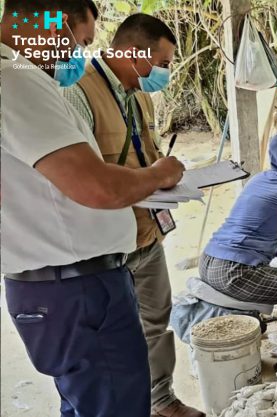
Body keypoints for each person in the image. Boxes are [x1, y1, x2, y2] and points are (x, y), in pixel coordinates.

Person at [0, 1, 185, 416]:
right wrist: (157, 175)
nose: (77, 54)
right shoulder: (16, 80)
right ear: (56, 26)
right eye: (81, 41)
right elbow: (96, 186)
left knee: (91, 403)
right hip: (75, 288)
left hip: (62, 284)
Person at [61, 13, 203, 417]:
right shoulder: (78, 92)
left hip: (146, 233)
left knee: (156, 320)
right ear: (133, 52)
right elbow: (80, 177)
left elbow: (149, 156)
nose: (165, 73)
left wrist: (167, 175)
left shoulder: (140, 94)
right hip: (106, 245)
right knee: (109, 342)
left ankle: (161, 399)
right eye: (163, 63)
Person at [199, 133, 277, 376]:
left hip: (209, 260)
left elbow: (257, 224)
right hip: (234, 271)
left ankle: (267, 328)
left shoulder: (261, 179)